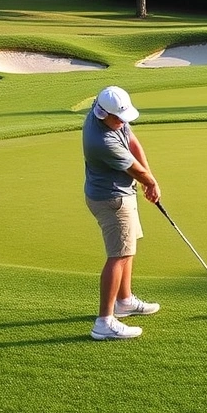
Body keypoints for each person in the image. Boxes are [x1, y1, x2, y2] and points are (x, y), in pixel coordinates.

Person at [83, 86, 162, 340]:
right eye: (119, 118)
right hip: (111, 199)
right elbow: (136, 171)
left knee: (127, 249)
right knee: (118, 255)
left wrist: (152, 180)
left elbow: (133, 141)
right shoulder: (102, 142)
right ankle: (104, 322)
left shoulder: (107, 115)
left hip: (119, 195)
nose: (123, 122)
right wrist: (148, 182)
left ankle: (124, 301)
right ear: (103, 114)